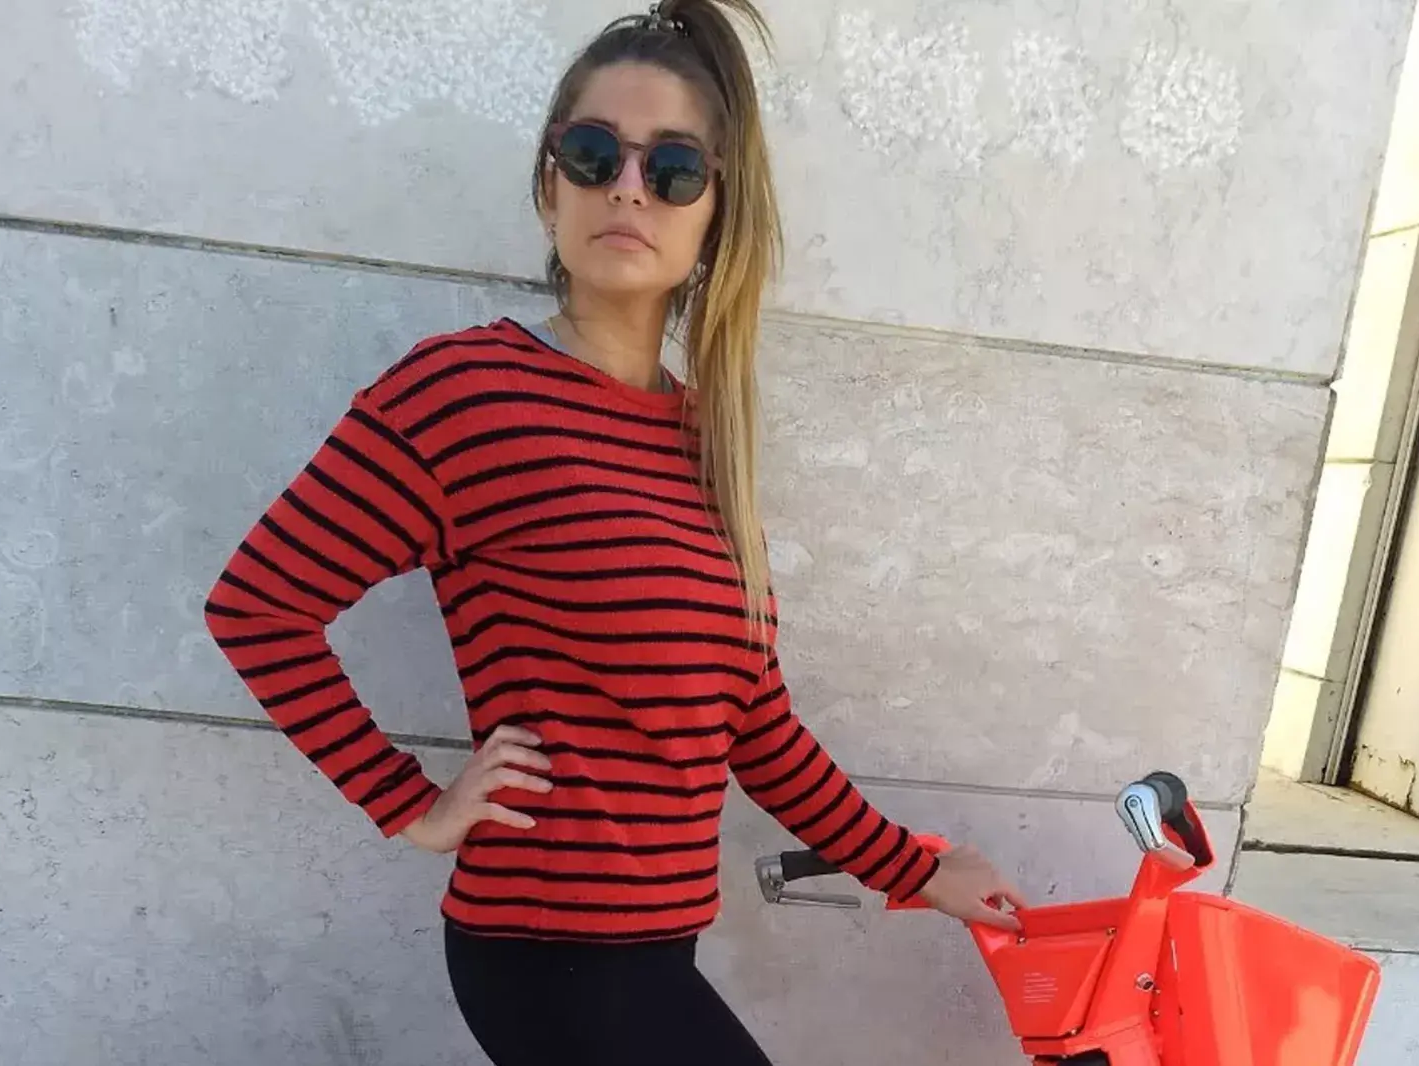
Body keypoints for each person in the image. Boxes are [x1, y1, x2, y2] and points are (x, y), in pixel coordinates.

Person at [204, 1, 1026, 1062]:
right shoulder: (465, 393)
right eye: (594, 154)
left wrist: (917, 868)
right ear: (550, 184)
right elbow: (258, 608)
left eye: (673, 167)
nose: (629, 187)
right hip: (543, 953)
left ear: (714, 214)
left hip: (654, 951)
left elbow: (754, 727)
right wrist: (408, 803)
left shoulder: (707, 440)